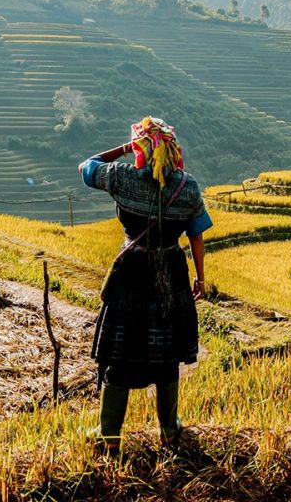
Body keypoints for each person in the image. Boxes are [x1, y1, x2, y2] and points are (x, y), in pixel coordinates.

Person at [78, 116, 213, 455]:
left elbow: (87, 166)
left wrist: (124, 148)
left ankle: (109, 434)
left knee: (120, 352)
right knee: (166, 353)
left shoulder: (122, 178)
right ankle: (169, 429)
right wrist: (200, 276)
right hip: (171, 272)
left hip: (132, 272)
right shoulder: (189, 187)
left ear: (140, 149)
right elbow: (196, 234)